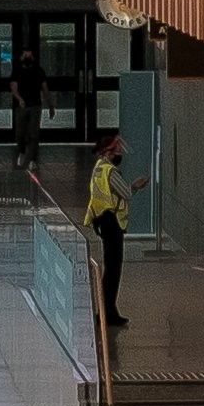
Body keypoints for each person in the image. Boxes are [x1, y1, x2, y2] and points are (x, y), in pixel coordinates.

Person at [83, 129, 128, 350]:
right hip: (112, 223)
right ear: (110, 151)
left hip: (102, 221)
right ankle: (106, 311)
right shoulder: (110, 171)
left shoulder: (98, 169)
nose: (121, 152)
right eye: (118, 148)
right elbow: (126, 193)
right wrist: (137, 186)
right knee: (113, 269)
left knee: (110, 268)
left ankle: (108, 310)